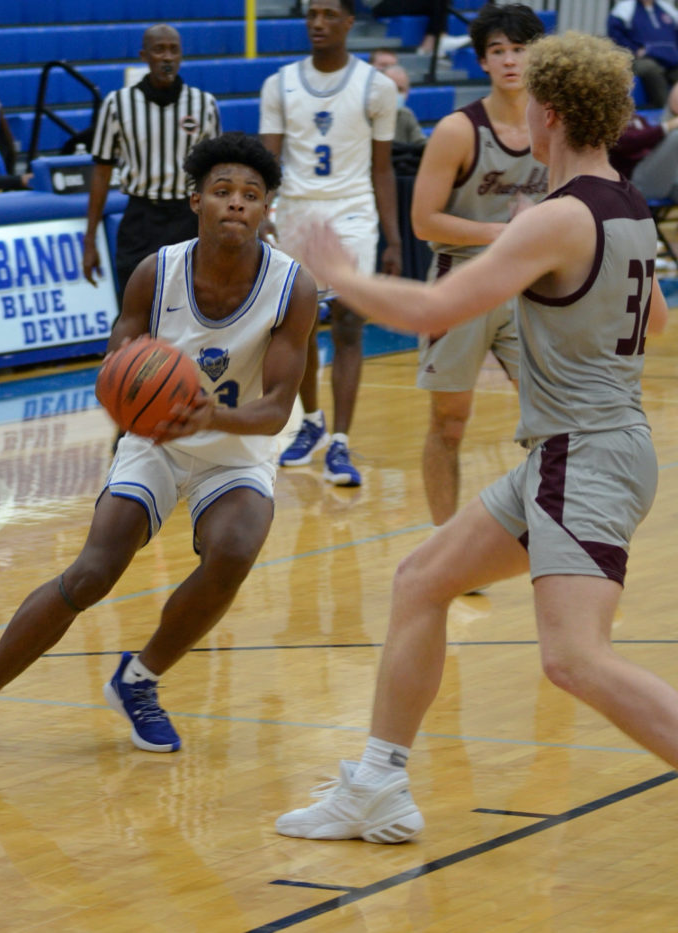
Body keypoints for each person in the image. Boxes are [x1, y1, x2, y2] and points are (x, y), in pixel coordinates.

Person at [275, 30, 672, 845]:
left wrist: (338, 274)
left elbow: (429, 311)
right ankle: (378, 784)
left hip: (582, 455)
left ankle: (379, 783)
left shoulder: (558, 218)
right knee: (422, 578)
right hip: (587, 448)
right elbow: (656, 321)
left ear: (548, 111)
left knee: (573, 659)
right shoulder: (629, 207)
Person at [0, 132, 317, 757]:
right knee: (92, 573)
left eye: (251, 194)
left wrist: (209, 417)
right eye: (223, 192)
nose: (237, 204)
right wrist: (136, 390)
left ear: (268, 207)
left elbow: (274, 411)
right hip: (156, 438)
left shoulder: (293, 286)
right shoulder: (155, 272)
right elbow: (116, 365)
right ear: (196, 200)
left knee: (236, 550)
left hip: (234, 441)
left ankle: (139, 680)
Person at [411, 3, 547, 527]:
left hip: (527, 287)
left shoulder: (553, 124)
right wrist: (504, 233)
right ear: (483, 62)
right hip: (461, 283)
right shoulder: (457, 130)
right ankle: (445, 544)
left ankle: (555, 534)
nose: (510, 60)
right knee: (449, 423)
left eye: (519, 49)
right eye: (498, 51)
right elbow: (424, 222)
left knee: (552, 422)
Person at [260, 0, 402, 486]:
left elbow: (382, 168)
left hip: (353, 214)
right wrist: (263, 212)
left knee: (347, 324)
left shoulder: (377, 87)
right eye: (311, 14)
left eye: (328, 14)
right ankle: (312, 423)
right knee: (295, 328)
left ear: (348, 22)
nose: (318, 23)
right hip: (296, 213)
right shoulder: (278, 84)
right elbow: (268, 161)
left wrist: (393, 238)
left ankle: (340, 442)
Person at [83, 23, 221, 298]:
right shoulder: (117, 104)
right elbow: (101, 172)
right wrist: (90, 240)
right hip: (140, 218)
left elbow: (215, 174)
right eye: (159, 50)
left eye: (174, 50)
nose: (167, 57)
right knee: (134, 307)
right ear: (144, 56)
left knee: (189, 308)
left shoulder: (204, 104)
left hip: (189, 218)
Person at [610, 80, 678, 202]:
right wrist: (667, 127)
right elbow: (629, 142)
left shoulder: (637, 118)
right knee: (675, 136)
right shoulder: (610, 123)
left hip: (663, 176)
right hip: (637, 180)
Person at [608, 0, 678, 108]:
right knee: (650, 68)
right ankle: (661, 107)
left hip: (670, 59)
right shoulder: (624, 9)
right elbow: (615, 35)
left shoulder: (668, 10)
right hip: (639, 59)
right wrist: (634, 50)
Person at [383, 64, 427, 146]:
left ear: (407, 93)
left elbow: (422, 145)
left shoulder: (406, 115)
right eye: (390, 87)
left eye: (400, 89)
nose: (395, 93)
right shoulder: (365, 116)